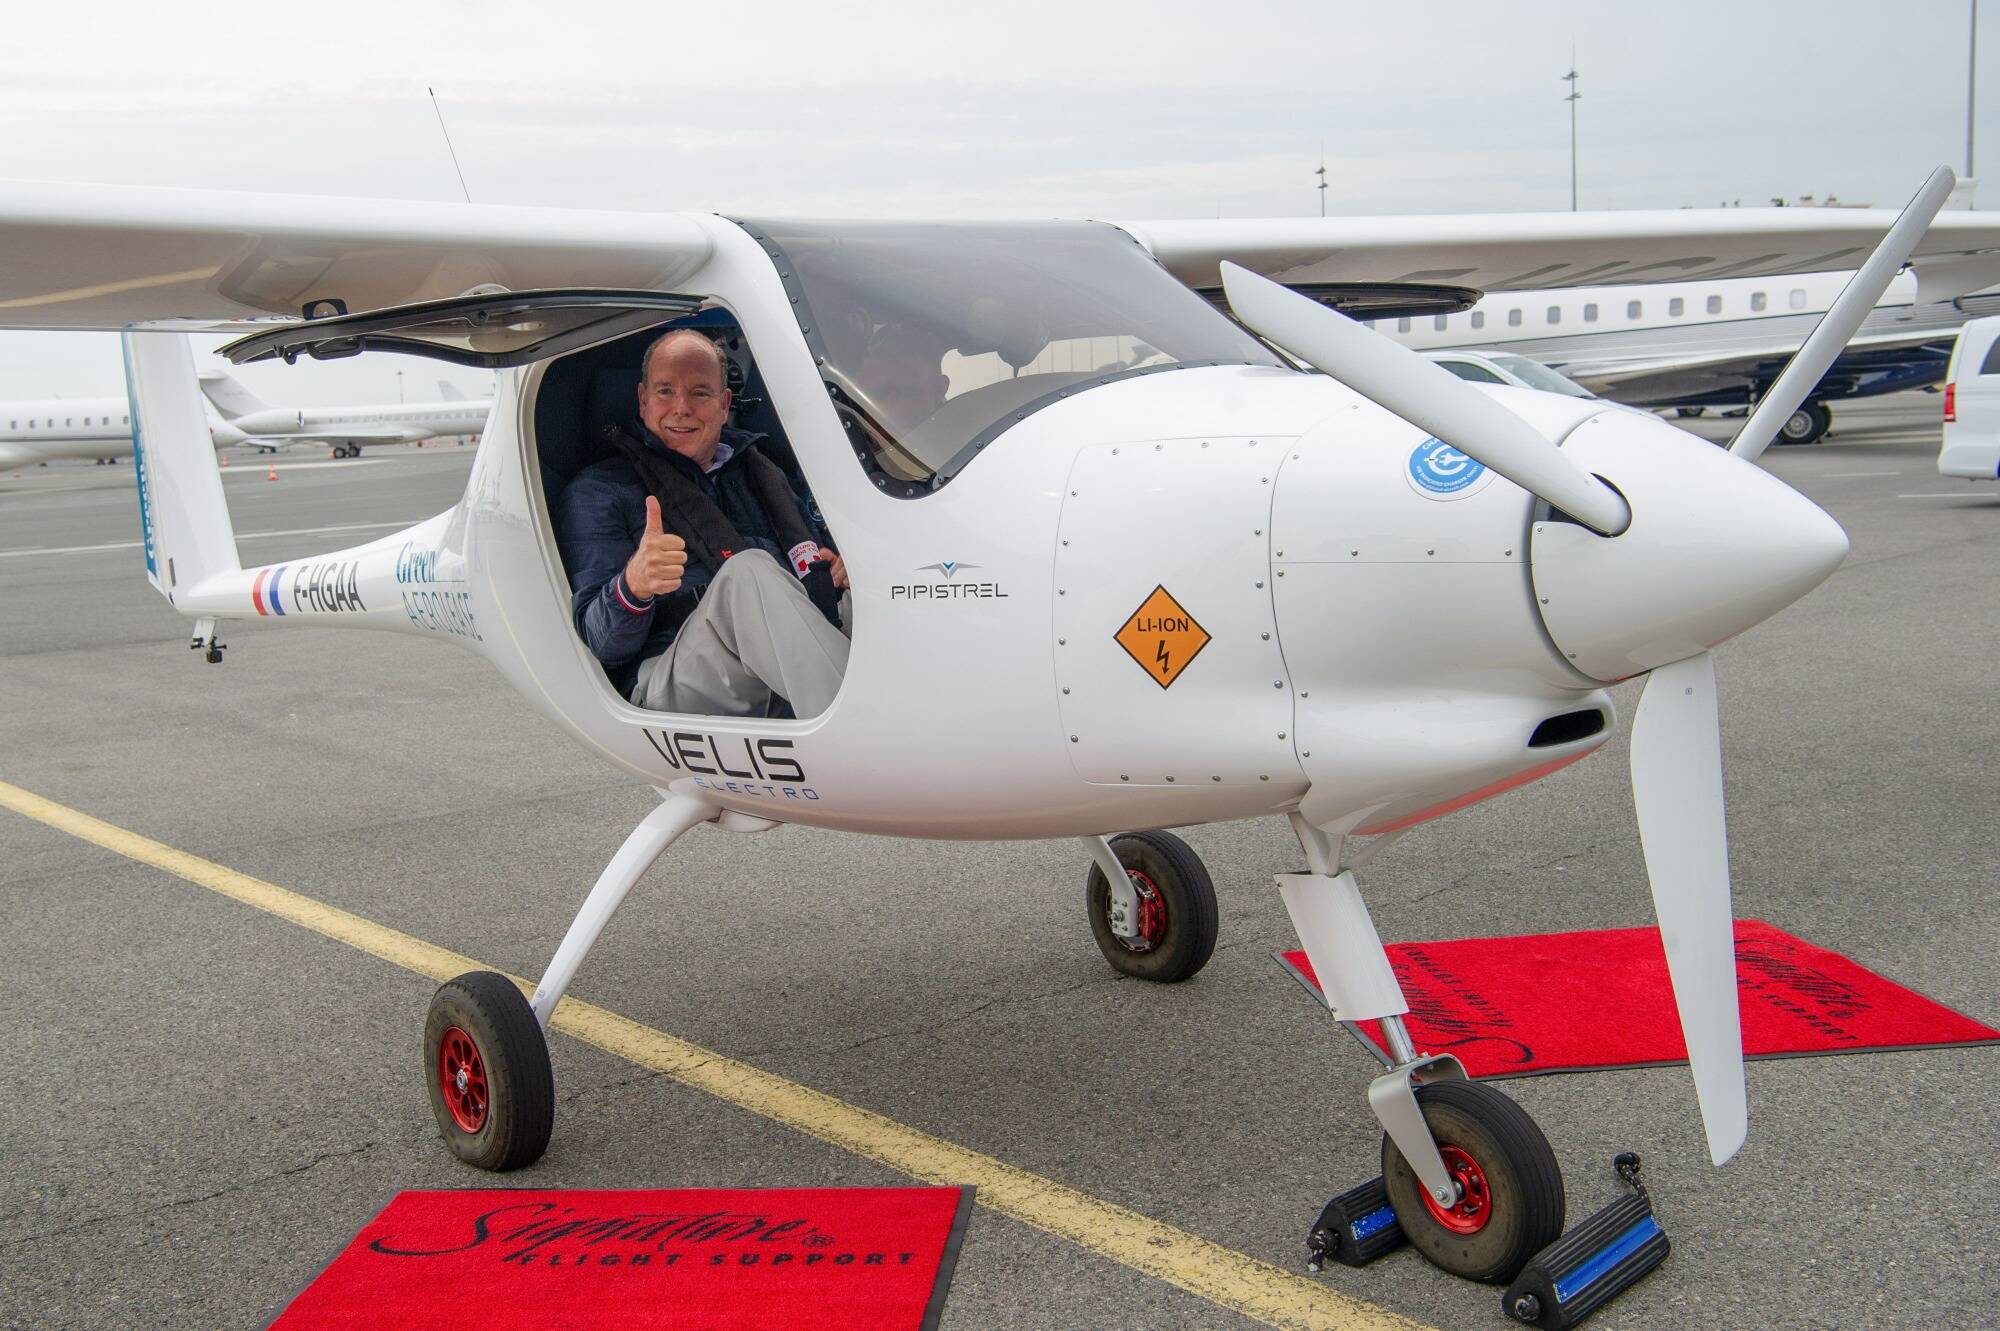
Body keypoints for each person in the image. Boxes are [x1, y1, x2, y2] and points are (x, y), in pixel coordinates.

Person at [556, 329, 850, 718]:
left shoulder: (763, 476)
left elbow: (811, 572)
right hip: (672, 675)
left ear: (724, 404)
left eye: (699, 393)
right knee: (748, 570)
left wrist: (836, 572)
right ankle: (874, 735)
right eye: (665, 392)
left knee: (884, 584)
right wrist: (634, 586)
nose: (681, 408)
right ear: (643, 401)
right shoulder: (600, 491)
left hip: (785, 659)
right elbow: (603, 644)